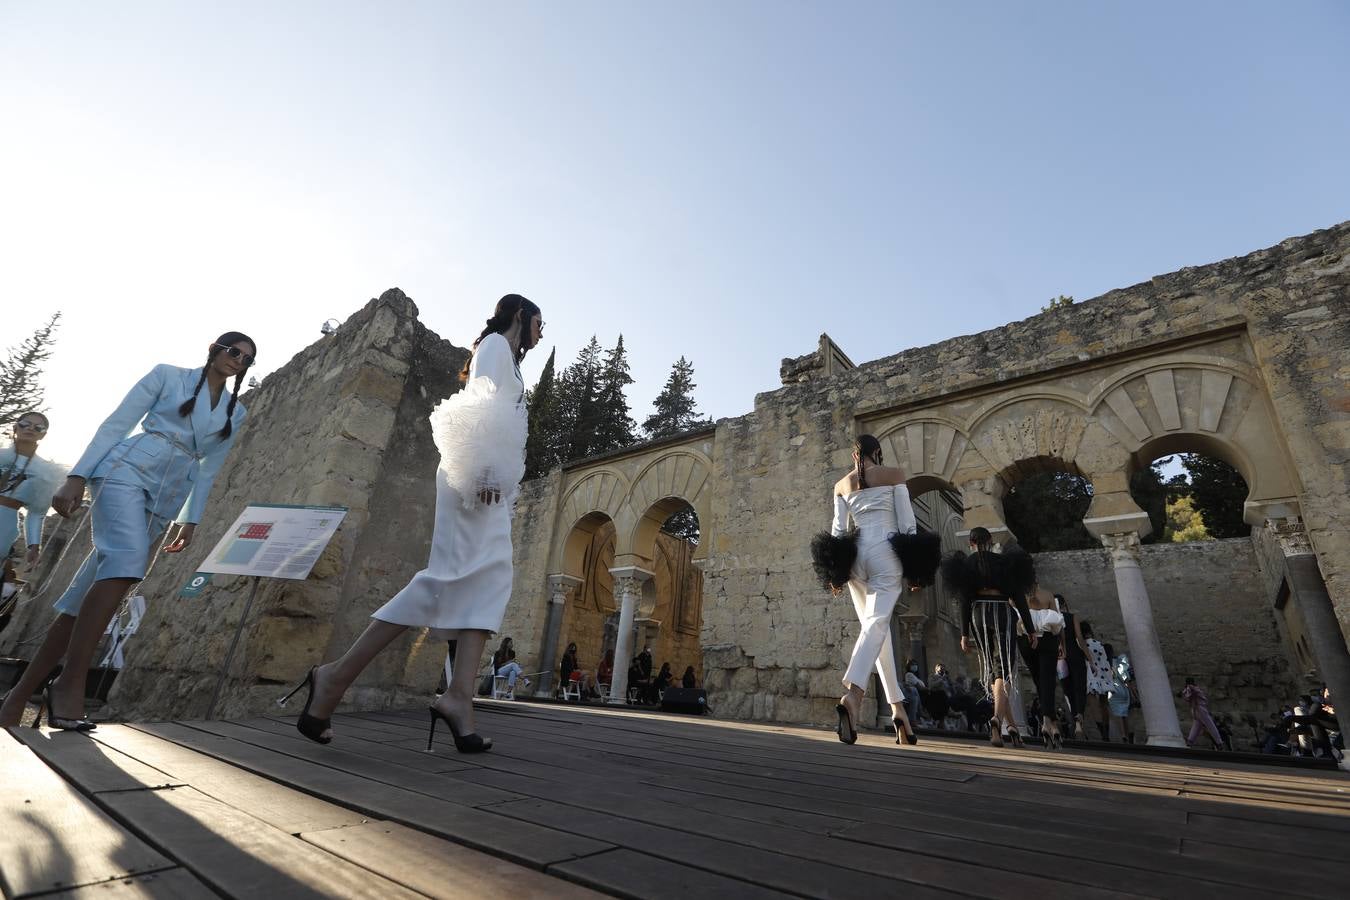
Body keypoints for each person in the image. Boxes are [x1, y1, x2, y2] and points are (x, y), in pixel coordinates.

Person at [283, 295, 541, 754]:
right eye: (540, 322)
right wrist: (483, 470)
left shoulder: (508, 358)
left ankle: (457, 696)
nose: (543, 333)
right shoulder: (497, 347)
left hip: (487, 478)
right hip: (475, 475)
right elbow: (480, 404)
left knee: (487, 578)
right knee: (447, 579)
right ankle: (336, 677)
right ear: (520, 315)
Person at [1, 333, 255, 730]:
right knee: (127, 563)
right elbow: (116, 424)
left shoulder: (234, 412)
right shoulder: (167, 376)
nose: (238, 360)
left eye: (246, 359)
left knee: (90, 592)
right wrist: (77, 476)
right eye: (233, 351)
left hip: (170, 495)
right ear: (213, 349)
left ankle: (16, 698)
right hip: (127, 471)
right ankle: (71, 682)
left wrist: (191, 519)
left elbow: (209, 469)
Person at [827, 434, 918, 746]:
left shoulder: (841, 485)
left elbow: (838, 533)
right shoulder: (894, 474)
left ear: (854, 454)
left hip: (855, 557)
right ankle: (853, 695)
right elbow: (908, 525)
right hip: (886, 552)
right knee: (876, 625)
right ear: (876, 452)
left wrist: (835, 574)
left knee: (876, 630)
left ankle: (898, 710)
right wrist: (916, 567)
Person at [942, 527, 1036, 748]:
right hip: (1002, 611)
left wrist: (964, 633)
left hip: (978, 616)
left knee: (994, 670)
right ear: (991, 540)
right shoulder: (1004, 562)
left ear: (971, 543)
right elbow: (1019, 598)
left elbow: (965, 601)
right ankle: (996, 718)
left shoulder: (967, 564)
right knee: (1003, 668)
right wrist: (1030, 629)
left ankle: (1010, 727)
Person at [1, 412, 65, 568]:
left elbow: (36, 512)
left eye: (38, 427)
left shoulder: (45, 472)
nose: (30, 429)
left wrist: (34, 546)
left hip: (4, 526)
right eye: (25, 424)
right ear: (15, 427)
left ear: (43, 435)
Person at [1019, 582, 1065, 749]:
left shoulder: (1016, 595)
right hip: (1047, 639)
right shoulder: (1048, 594)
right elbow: (1058, 624)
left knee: (1039, 680)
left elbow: (1014, 620)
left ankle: (1050, 722)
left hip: (1026, 640)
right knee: (1048, 681)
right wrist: (1062, 646)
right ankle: (1048, 721)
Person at [1056, 594, 1090, 740]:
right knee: (1080, 687)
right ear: (1064, 604)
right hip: (1075, 654)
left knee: (1068, 689)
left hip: (1059, 657)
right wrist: (1090, 659)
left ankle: (1075, 721)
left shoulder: (1052, 618)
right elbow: (1080, 639)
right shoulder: (1072, 617)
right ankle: (1079, 720)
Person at [1081, 622, 1113, 741]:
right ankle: (1107, 732)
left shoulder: (1082, 646)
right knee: (1104, 704)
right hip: (1104, 674)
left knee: (1093, 703)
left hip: (1091, 675)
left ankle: (1102, 733)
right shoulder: (1099, 644)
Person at [1181, 677, 1223, 750]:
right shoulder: (1192, 688)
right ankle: (1219, 743)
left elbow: (1187, 695)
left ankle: (1190, 741)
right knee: (1210, 725)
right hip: (1200, 709)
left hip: (1195, 710)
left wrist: (1183, 692)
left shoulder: (1190, 688)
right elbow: (1189, 695)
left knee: (1196, 726)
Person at [902, 659, 926, 729]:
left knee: (915, 694)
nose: (915, 666)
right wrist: (927, 689)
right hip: (912, 693)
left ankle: (919, 712)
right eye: (912, 665)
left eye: (915, 664)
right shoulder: (909, 674)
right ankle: (918, 713)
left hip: (918, 693)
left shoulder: (915, 676)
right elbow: (918, 686)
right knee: (914, 692)